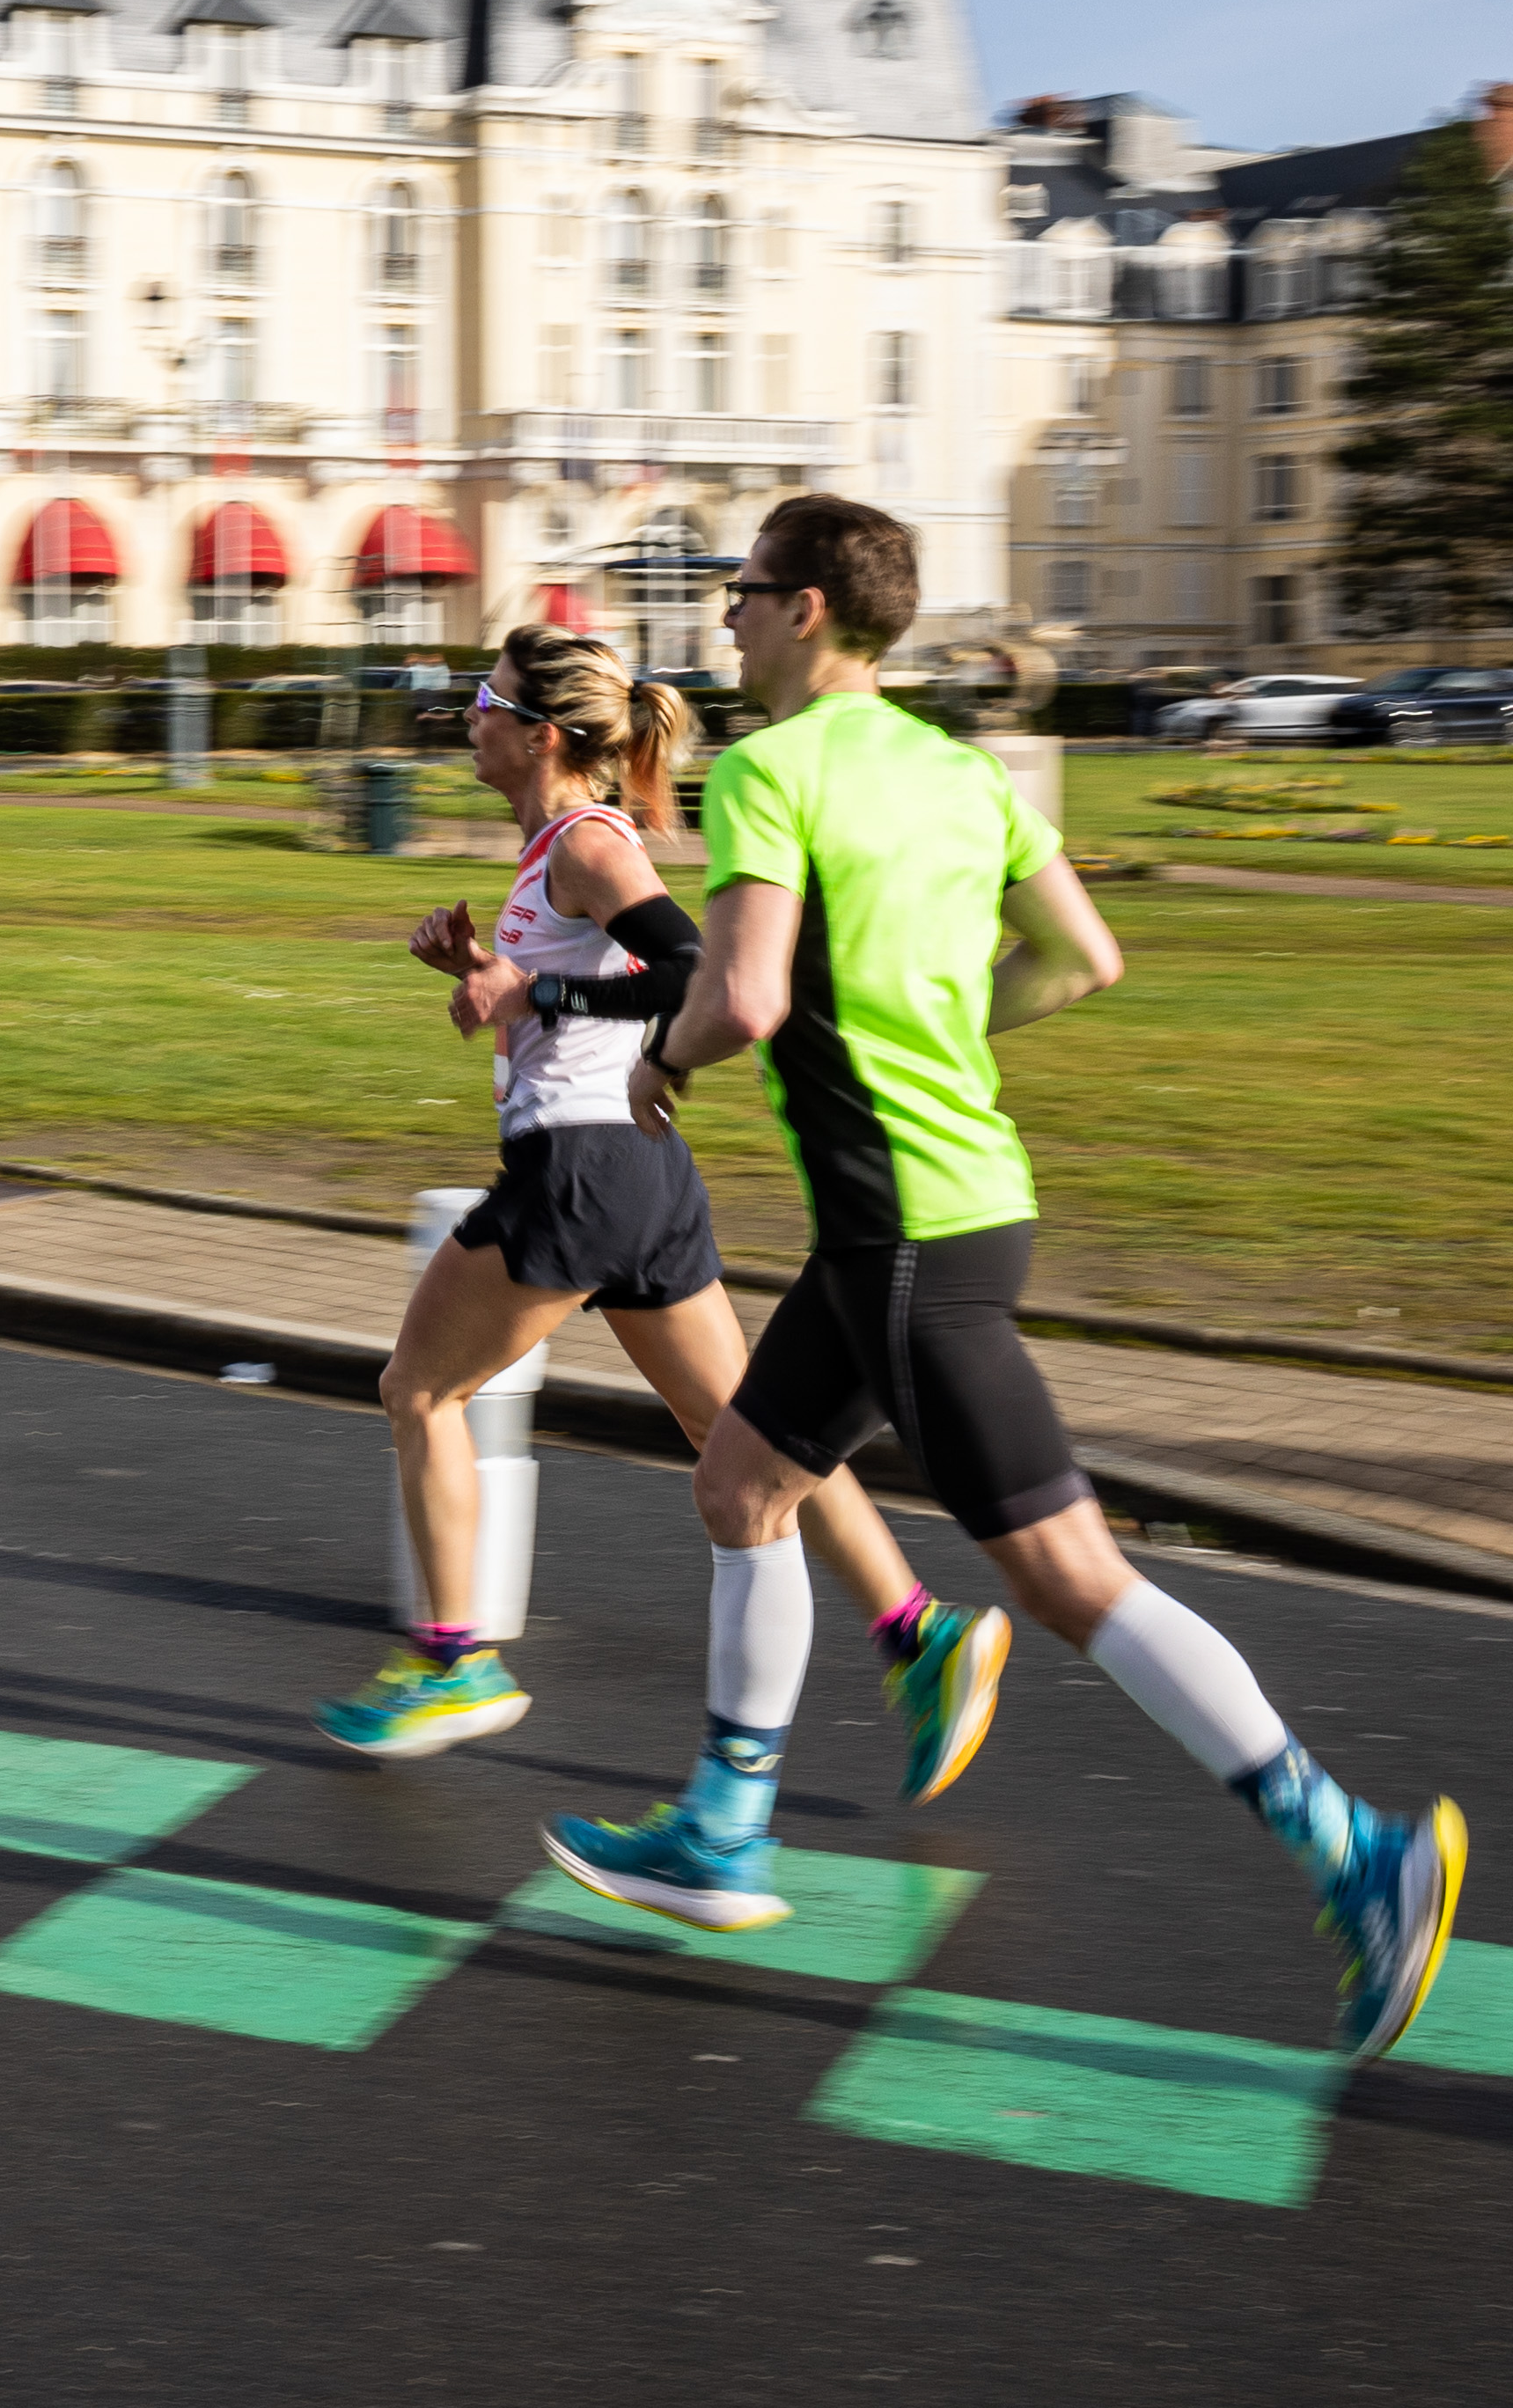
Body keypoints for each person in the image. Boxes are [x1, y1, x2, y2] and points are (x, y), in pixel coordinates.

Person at [555, 494, 1465, 2060]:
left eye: (746, 592)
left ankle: (1354, 1850)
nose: (725, 617)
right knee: (740, 1483)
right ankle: (723, 1826)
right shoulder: (959, 769)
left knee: (1065, 1575)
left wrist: (660, 1054)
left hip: (906, 1230)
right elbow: (1079, 958)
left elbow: (747, 994)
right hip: (920, 1219)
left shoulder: (772, 769)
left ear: (813, 611)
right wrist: (940, 1032)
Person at [316, 622, 1010, 1823]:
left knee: (415, 1392)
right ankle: (917, 1634)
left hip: (576, 1175)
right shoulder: (559, 846)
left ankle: (452, 1660)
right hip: (640, 1178)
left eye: (479, 701)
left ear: (536, 733)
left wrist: (527, 986)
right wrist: (487, 971)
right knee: (748, 1432)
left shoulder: (585, 842)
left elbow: (692, 970)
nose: (462, 718)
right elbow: (592, 998)